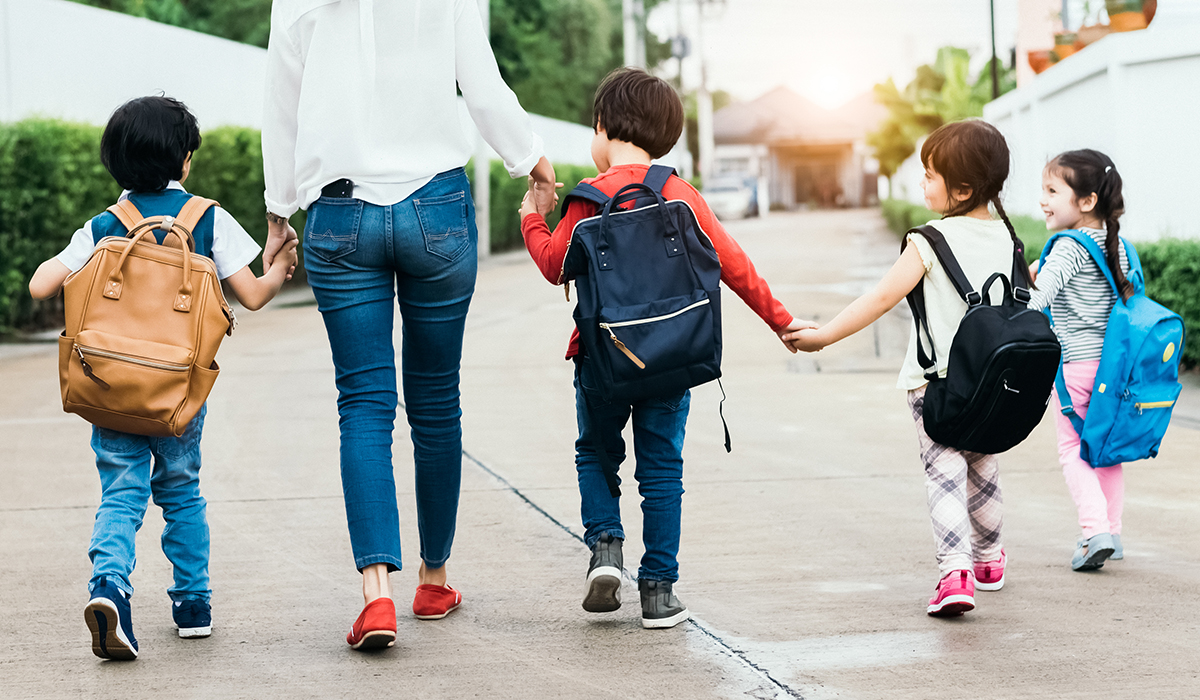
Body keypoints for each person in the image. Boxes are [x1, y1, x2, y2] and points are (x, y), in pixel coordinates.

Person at [261, 0, 559, 650]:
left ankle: (376, 596)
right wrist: (530, 158)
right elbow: (482, 82)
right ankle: (434, 578)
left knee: (364, 404)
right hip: (437, 207)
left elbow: (281, 101)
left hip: (340, 214)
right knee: (435, 400)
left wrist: (278, 212)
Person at [519, 67, 809, 629]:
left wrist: (534, 216)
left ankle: (605, 548)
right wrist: (782, 321)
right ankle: (658, 591)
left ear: (603, 127)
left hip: (602, 360)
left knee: (595, 454)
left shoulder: (586, 200)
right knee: (662, 470)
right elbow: (733, 263)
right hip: (674, 358)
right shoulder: (679, 193)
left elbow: (555, 265)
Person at [28, 95, 297, 660]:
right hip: (178, 393)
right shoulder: (207, 218)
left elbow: (40, 286)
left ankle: (110, 590)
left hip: (109, 389)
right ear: (185, 160)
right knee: (181, 491)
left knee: (120, 494)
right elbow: (249, 295)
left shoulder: (105, 225)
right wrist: (278, 267)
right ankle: (192, 605)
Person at [785, 120, 1027, 617]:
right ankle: (988, 562)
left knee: (943, 472)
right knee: (983, 467)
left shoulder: (928, 241)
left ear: (962, 188)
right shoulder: (1008, 236)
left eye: (931, 175)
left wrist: (824, 336)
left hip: (935, 385)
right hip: (992, 384)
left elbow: (880, 298)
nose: (922, 183)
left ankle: (955, 572)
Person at [1027, 149, 1131, 572]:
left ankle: (1094, 533)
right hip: (1112, 368)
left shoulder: (1068, 247)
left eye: (1052, 190)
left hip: (1075, 371)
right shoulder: (1117, 245)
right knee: (1106, 452)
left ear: (1086, 201)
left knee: (1073, 451)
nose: (1043, 200)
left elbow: (1037, 304)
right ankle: (1114, 533)